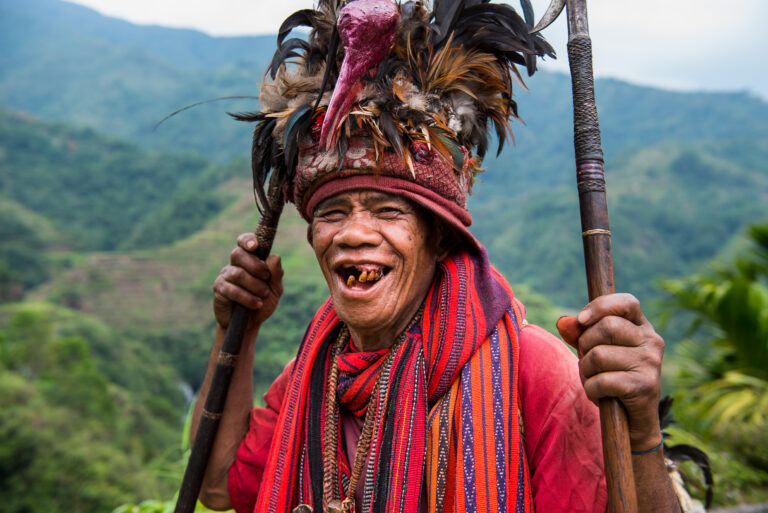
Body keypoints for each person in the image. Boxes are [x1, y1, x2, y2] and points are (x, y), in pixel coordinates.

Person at [190, 1, 682, 511]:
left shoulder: (536, 373)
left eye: (387, 211)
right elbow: (219, 484)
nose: (353, 233)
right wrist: (237, 330)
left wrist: (641, 429)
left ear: (440, 239)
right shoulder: (315, 373)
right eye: (332, 213)